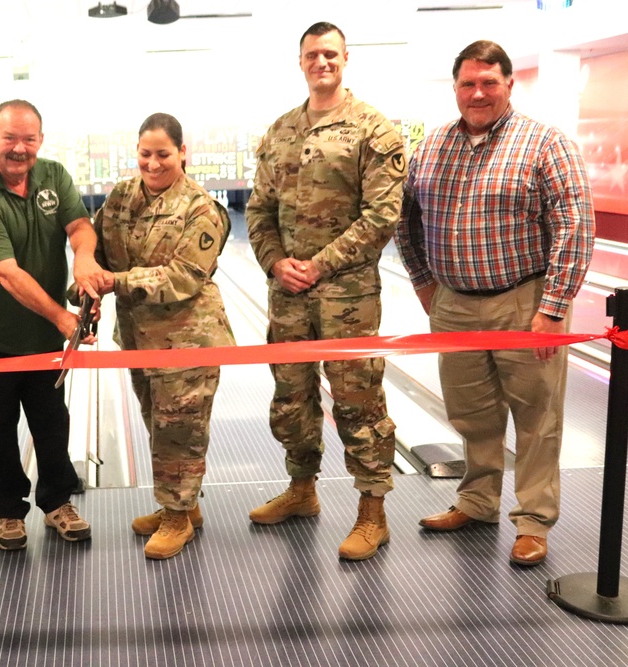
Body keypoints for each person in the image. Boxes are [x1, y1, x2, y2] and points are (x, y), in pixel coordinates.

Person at [395, 40, 595, 567]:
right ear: (456, 88)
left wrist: (553, 308)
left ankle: (533, 521)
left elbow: (575, 226)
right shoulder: (433, 146)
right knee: (472, 414)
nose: (477, 92)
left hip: (524, 301)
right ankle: (478, 501)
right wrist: (422, 282)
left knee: (537, 417)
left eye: (489, 82)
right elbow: (405, 219)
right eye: (468, 83)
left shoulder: (545, 143)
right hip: (454, 302)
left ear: (509, 84)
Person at [245, 22, 406, 561]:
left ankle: (372, 513)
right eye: (313, 54)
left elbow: (382, 215)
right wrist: (274, 262)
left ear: (345, 58)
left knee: (358, 399)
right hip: (288, 293)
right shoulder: (280, 131)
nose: (322, 62)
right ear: (300, 61)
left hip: (347, 294)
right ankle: (301, 490)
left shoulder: (372, 130)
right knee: (291, 397)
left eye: (331, 53)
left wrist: (318, 264)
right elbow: (259, 210)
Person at [0, 99, 105, 551]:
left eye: (29, 139)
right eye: (10, 138)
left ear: (40, 140)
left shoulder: (53, 176)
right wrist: (63, 316)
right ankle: (8, 513)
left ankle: (58, 502)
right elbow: (6, 272)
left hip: (42, 342)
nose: (20, 148)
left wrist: (83, 261)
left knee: (52, 425)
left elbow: (79, 225)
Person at [91, 112, 235, 559]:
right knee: (158, 422)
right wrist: (83, 279)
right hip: (138, 339)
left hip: (188, 339)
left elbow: (183, 277)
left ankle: (176, 517)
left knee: (181, 429)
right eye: (145, 154)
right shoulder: (122, 196)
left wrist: (112, 283)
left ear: (183, 153)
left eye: (163, 154)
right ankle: (183, 506)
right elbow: (95, 246)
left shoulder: (200, 208)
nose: (153, 164)